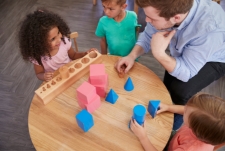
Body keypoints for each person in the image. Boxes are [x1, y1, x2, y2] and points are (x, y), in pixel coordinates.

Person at [115, 0, 225, 130]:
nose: (146, 20)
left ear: (176, 17)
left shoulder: (210, 30)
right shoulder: (164, 9)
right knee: (169, 81)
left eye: (152, 18)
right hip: (185, 48)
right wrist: (131, 56)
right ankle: (166, 102)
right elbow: (148, 36)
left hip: (215, 58)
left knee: (181, 91)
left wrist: (159, 54)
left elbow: (187, 72)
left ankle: (172, 126)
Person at [130, 93, 225, 151]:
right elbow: (187, 110)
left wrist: (143, 137)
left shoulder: (189, 149)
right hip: (177, 140)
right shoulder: (205, 127)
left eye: (186, 111)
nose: (184, 108)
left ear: (194, 127)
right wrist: (168, 107)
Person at [19, 9, 91, 81]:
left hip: (71, 72)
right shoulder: (38, 57)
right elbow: (39, 73)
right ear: (39, 43)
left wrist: (85, 54)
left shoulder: (64, 42)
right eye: (53, 39)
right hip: (56, 80)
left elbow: (74, 55)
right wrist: (43, 76)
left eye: (58, 32)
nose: (59, 40)